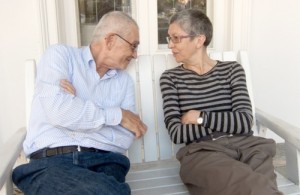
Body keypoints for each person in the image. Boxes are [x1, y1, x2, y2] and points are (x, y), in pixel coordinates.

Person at [12, 11, 147, 195]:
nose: (135, 54)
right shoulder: (60, 56)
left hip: (106, 163)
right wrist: (117, 116)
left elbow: (124, 139)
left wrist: (75, 108)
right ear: (110, 40)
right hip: (51, 163)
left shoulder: (124, 82)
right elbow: (58, 111)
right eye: (133, 46)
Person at [159, 9, 283, 195]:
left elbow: (244, 122)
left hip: (249, 147)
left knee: (258, 188)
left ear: (199, 40)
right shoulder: (171, 79)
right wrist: (227, 122)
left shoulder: (232, 70)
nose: (170, 45)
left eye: (176, 38)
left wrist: (199, 117)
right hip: (203, 152)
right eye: (170, 38)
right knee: (257, 188)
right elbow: (177, 133)